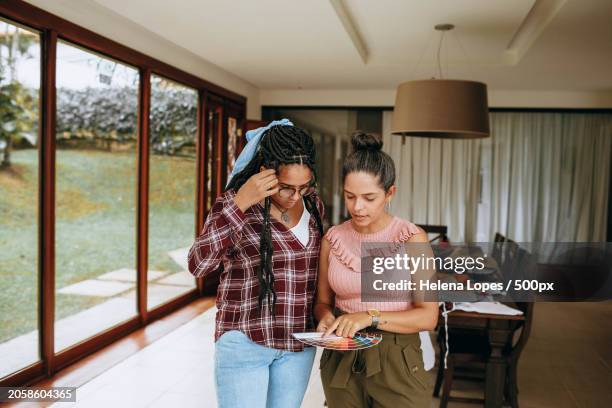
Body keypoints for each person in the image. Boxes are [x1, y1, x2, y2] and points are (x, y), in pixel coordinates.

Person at [187, 120, 325, 408]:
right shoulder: (233, 204)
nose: (295, 196)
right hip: (245, 342)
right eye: (286, 187)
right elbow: (198, 265)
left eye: (303, 186)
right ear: (265, 172)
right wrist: (239, 203)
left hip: (297, 345)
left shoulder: (313, 206)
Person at [314, 132, 438, 407]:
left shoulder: (411, 238)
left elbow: (429, 317)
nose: (357, 207)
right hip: (342, 356)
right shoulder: (332, 239)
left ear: (390, 193)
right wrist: (324, 317)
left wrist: (368, 316)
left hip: (397, 358)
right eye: (350, 196)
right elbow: (323, 302)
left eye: (369, 197)